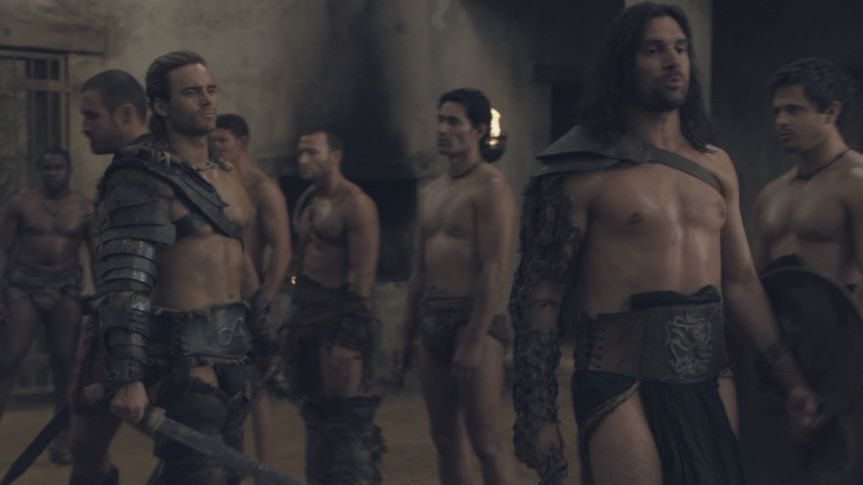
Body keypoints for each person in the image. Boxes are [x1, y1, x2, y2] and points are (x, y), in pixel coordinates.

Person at [509, 3, 823, 485]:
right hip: (620, 377)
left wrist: (793, 381)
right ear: (624, 64)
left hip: (710, 374)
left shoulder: (717, 165)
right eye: (654, 50)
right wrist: (538, 413)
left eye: (680, 48)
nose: (673, 60)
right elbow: (540, 294)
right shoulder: (581, 170)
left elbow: (741, 284)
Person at [90, 50, 278, 483]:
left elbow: (238, 260)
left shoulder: (229, 176)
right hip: (181, 359)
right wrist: (127, 376)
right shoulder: (143, 176)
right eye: (191, 92)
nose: (207, 100)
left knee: (222, 474)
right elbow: (124, 282)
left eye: (211, 90)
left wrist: (264, 331)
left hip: (233, 356)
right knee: (201, 474)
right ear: (161, 105)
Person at [393, 88, 516, 485]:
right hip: (433, 316)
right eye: (440, 121)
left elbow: (495, 267)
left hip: (473, 318)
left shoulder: (491, 187)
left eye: (453, 122)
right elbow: (419, 271)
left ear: (477, 130)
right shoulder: (433, 192)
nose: (443, 129)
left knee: (487, 442)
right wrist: (405, 332)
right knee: (445, 439)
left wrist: (476, 338)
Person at [282, 129, 383, 484]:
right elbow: (301, 264)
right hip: (307, 317)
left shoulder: (356, 204)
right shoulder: (308, 201)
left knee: (345, 420)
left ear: (335, 157)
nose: (303, 160)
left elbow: (363, 276)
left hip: (339, 319)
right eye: (300, 153)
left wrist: (349, 337)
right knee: (313, 414)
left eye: (313, 152)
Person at [66, 69, 150, 484]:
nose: (83, 127)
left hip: (142, 328)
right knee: (85, 445)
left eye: (91, 116)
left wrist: (128, 365)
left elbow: (137, 269)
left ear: (125, 114)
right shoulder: (122, 170)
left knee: (187, 453)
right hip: (113, 320)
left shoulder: (144, 172)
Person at [0, 147, 96, 465]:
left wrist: (102, 297)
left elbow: (96, 254)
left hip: (65, 288)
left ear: (69, 170)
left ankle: (62, 440)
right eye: (46, 168)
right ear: (39, 170)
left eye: (58, 168)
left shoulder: (84, 208)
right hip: (23, 286)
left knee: (65, 364)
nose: (52, 173)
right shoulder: (22, 204)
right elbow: (3, 249)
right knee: (9, 359)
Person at [212, 113, 292, 465]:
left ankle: (264, 468)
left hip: (249, 299)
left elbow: (282, 251)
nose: (216, 147)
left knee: (256, 389)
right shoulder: (214, 182)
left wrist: (263, 303)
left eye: (223, 140)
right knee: (219, 387)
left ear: (242, 142)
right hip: (216, 300)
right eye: (213, 140)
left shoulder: (262, 189)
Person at [754, 58, 863, 287]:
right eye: (777, 112)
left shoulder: (856, 182)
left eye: (794, 110)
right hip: (779, 308)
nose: (781, 121)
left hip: (842, 307)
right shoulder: (772, 193)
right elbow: (751, 282)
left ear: (831, 112)